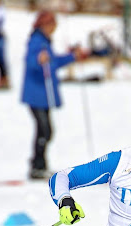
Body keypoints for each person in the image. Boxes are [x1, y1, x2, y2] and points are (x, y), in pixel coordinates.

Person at [21, 10, 84, 180]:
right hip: (36, 94)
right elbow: (30, 61)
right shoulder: (36, 41)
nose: (53, 29)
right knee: (44, 130)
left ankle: (39, 164)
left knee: (46, 130)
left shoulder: (45, 41)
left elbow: (53, 62)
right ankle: (37, 166)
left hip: (43, 96)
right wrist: (38, 60)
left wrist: (72, 57)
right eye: (51, 25)